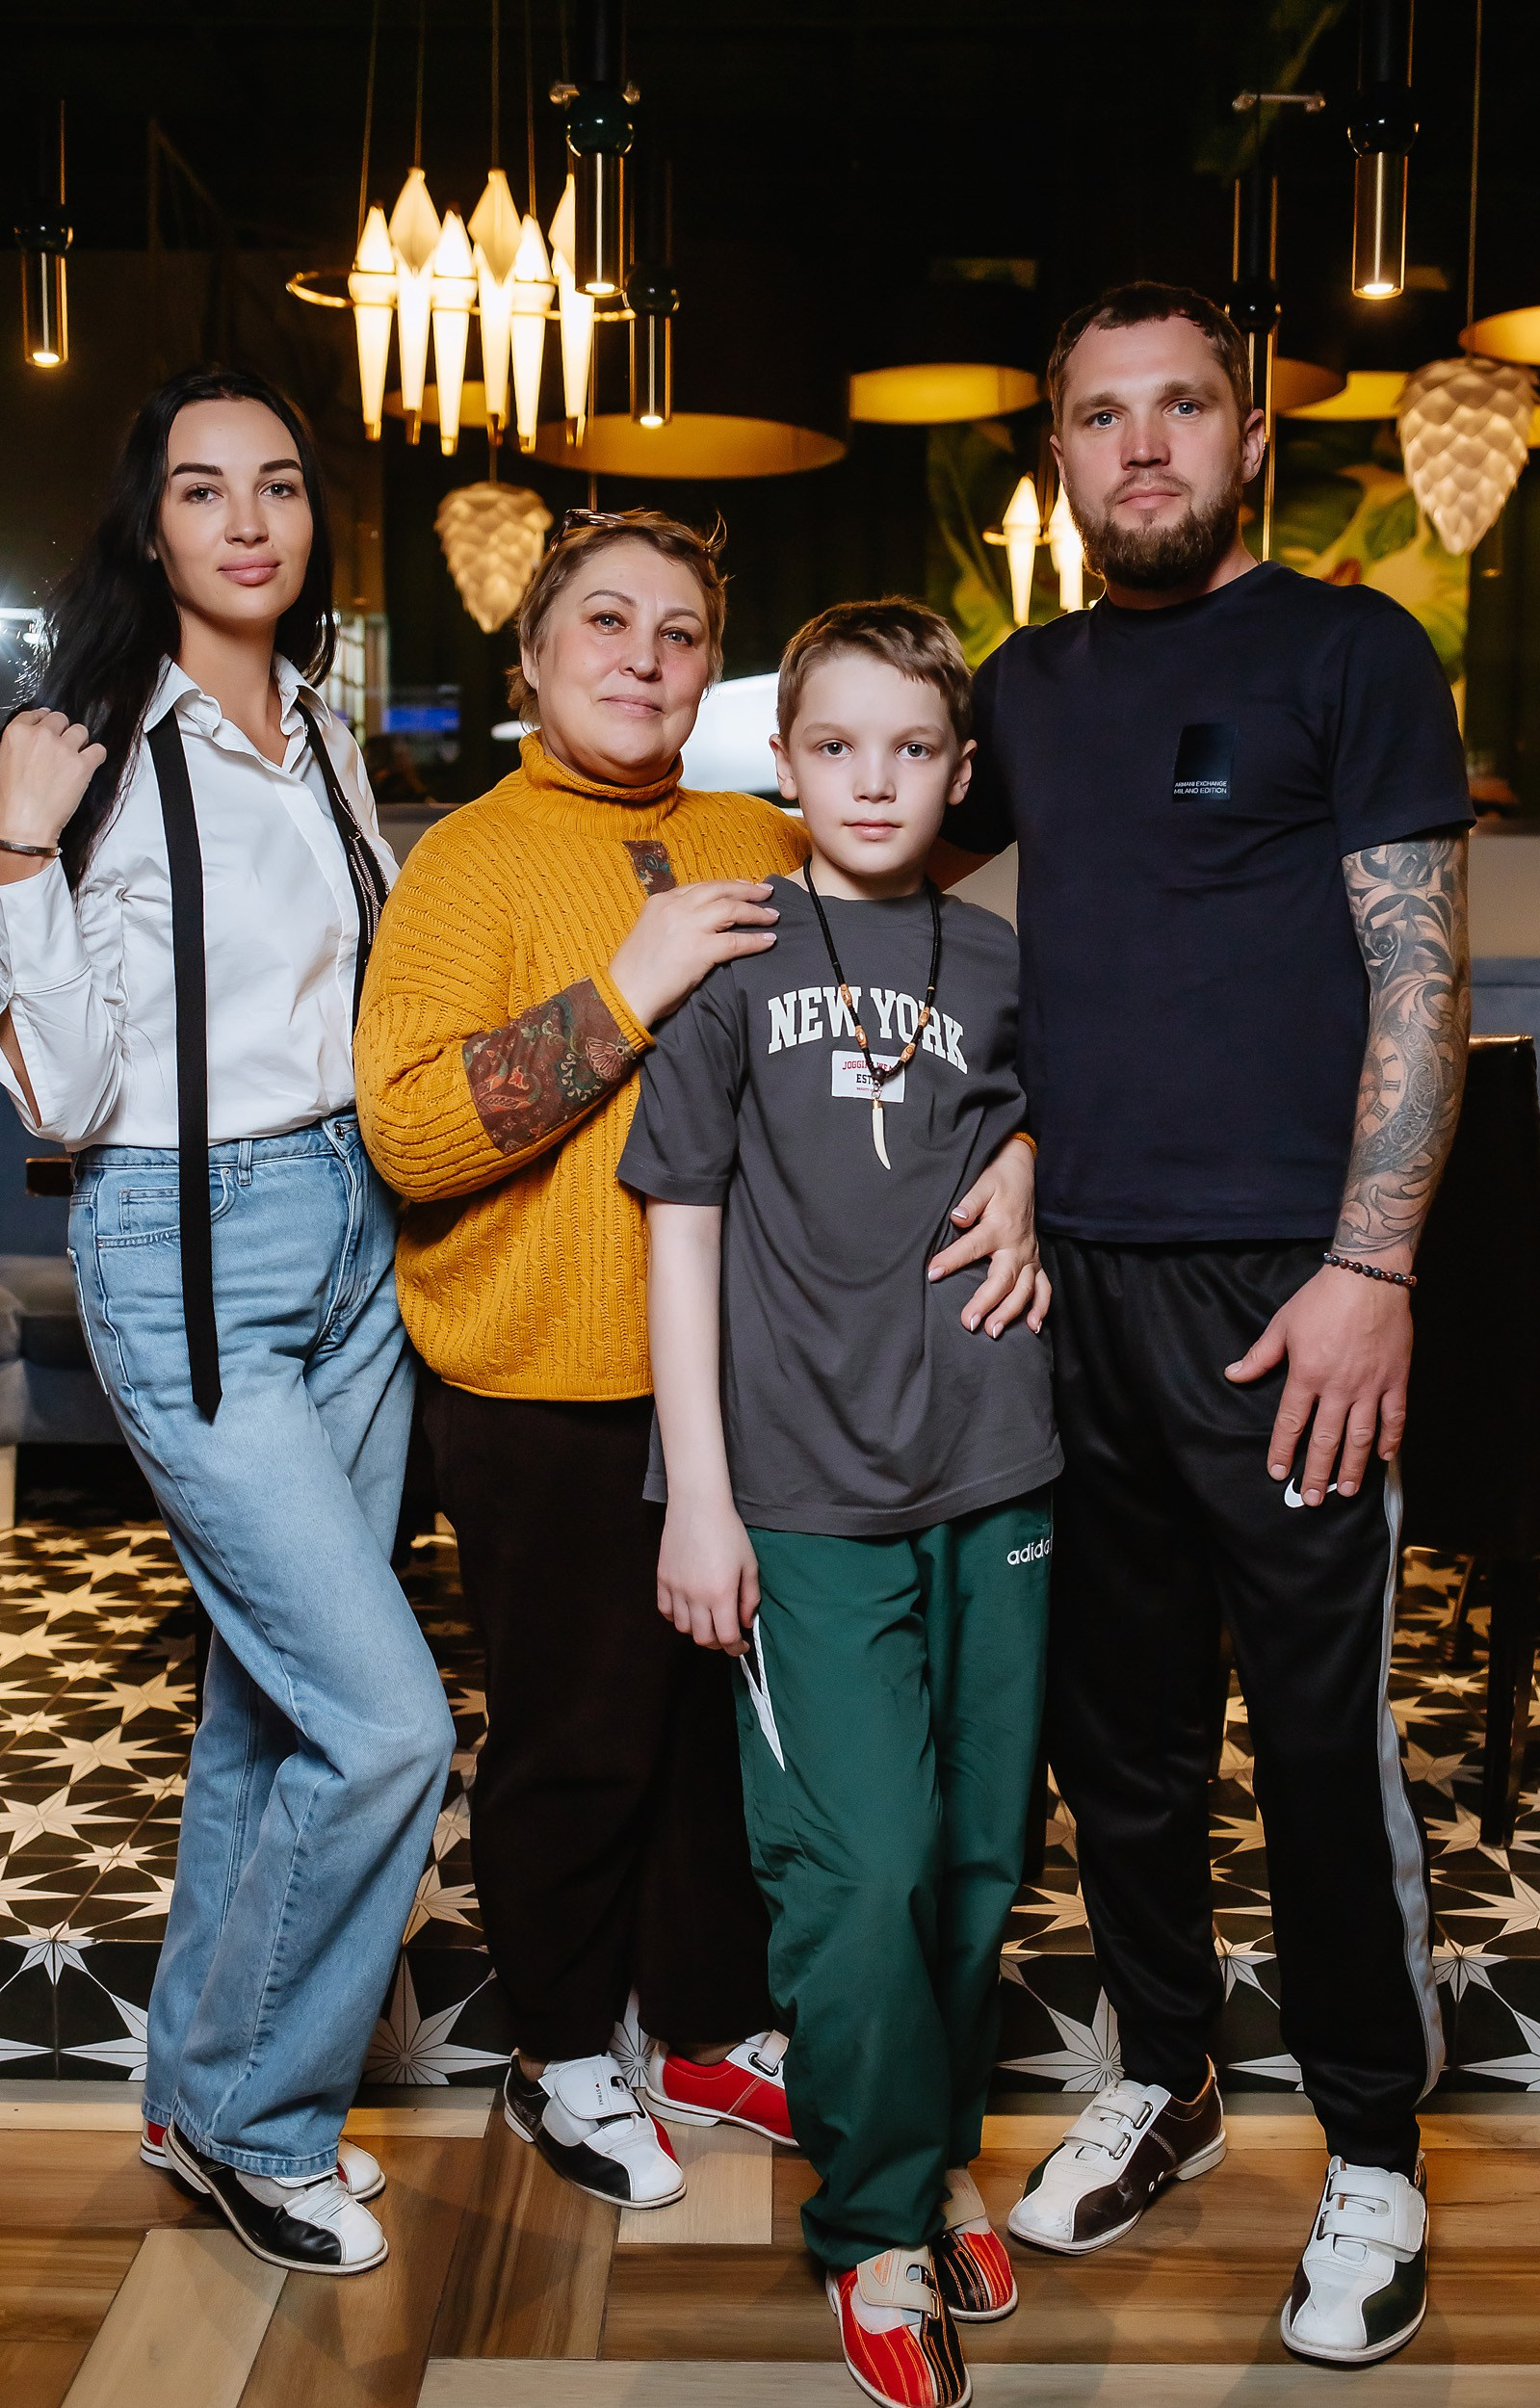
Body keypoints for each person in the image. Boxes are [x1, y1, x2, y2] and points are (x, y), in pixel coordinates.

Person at [355, 515, 1047, 2212]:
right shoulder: (469, 861)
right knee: (580, 1736)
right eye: (605, 622)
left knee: (726, 1743)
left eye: (679, 633)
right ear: (532, 656)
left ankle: (707, 2022)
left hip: (755, 1397)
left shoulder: (759, 827)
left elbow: (933, 1017)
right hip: (547, 1385)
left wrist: (1023, 1149)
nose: (644, 659)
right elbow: (410, 1132)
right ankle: (561, 2046)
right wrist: (626, 990)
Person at [939, 283, 1471, 2369]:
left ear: (1248, 439)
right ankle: (1166, 2074)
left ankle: (1375, 2147)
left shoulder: (1354, 650)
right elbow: (877, 843)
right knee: (1124, 1742)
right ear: (1059, 456)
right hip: (1072, 1290)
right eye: (1102, 415)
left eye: (1180, 407)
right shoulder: (1027, 684)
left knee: (1320, 1747)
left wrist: (1372, 1268)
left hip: (1291, 1296)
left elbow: (1417, 976)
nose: (1142, 444)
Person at [0, 367, 454, 2275]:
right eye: (203, 489)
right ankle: (269, 2124)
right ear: (151, 524)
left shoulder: (323, 728)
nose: (248, 519)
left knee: (271, 1711)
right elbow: (65, 1092)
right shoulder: (86, 748)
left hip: (359, 1234)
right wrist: (16, 852)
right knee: (388, 1722)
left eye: (278, 484)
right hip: (188, 1235)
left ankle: (195, 2093)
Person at [620, 599, 1060, 2408]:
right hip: (800, 1490)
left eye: (913, 749)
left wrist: (1027, 1158)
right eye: (836, 747)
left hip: (999, 1459)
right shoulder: (731, 952)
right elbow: (680, 1232)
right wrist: (697, 1501)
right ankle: (873, 2223)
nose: (874, 782)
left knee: (977, 1852)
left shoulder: (1002, 957)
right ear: (785, 764)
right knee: (859, 1866)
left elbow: (1045, 1128)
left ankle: (932, 2147)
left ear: (961, 771)